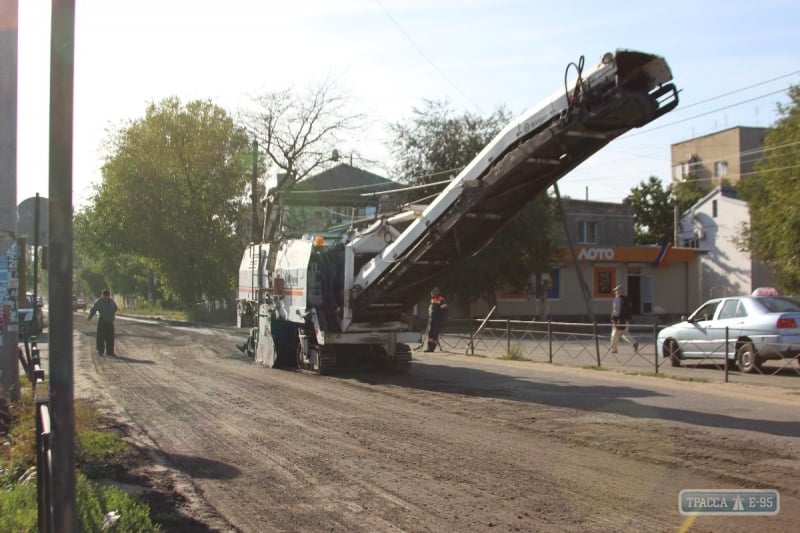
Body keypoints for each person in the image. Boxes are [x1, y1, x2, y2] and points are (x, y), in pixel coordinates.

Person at [88, 288, 118, 356]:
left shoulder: (111, 302)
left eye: (107, 296)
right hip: (102, 322)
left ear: (108, 296)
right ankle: (100, 351)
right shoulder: (99, 302)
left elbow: (116, 308)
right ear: (102, 295)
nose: (106, 297)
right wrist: (90, 316)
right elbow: (94, 309)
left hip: (110, 323)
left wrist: (112, 315)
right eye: (104, 296)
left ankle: (110, 352)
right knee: (100, 338)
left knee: (110, 338)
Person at [610, 285, 638, 354]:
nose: (615, 292)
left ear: (619, 291)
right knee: (625, 333)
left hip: (618, 320)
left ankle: (614, 349)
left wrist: (614, 319)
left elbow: (616, 310)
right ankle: (634, 343)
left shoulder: (617, 299)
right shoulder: (626, 299)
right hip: (626, 320)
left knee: (614, 335)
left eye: (616, 291)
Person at [424, 287, 448, 352]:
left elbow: (444, 310)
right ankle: (429, 348)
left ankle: (432, 348)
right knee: (430, 334)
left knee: (435, 334)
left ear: (437, 292)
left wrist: (443, 319)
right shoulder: (432, 299)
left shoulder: (441, 299)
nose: (432, 293)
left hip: (437, 320)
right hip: (431, 319)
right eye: (431, 292)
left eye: (433, 292)